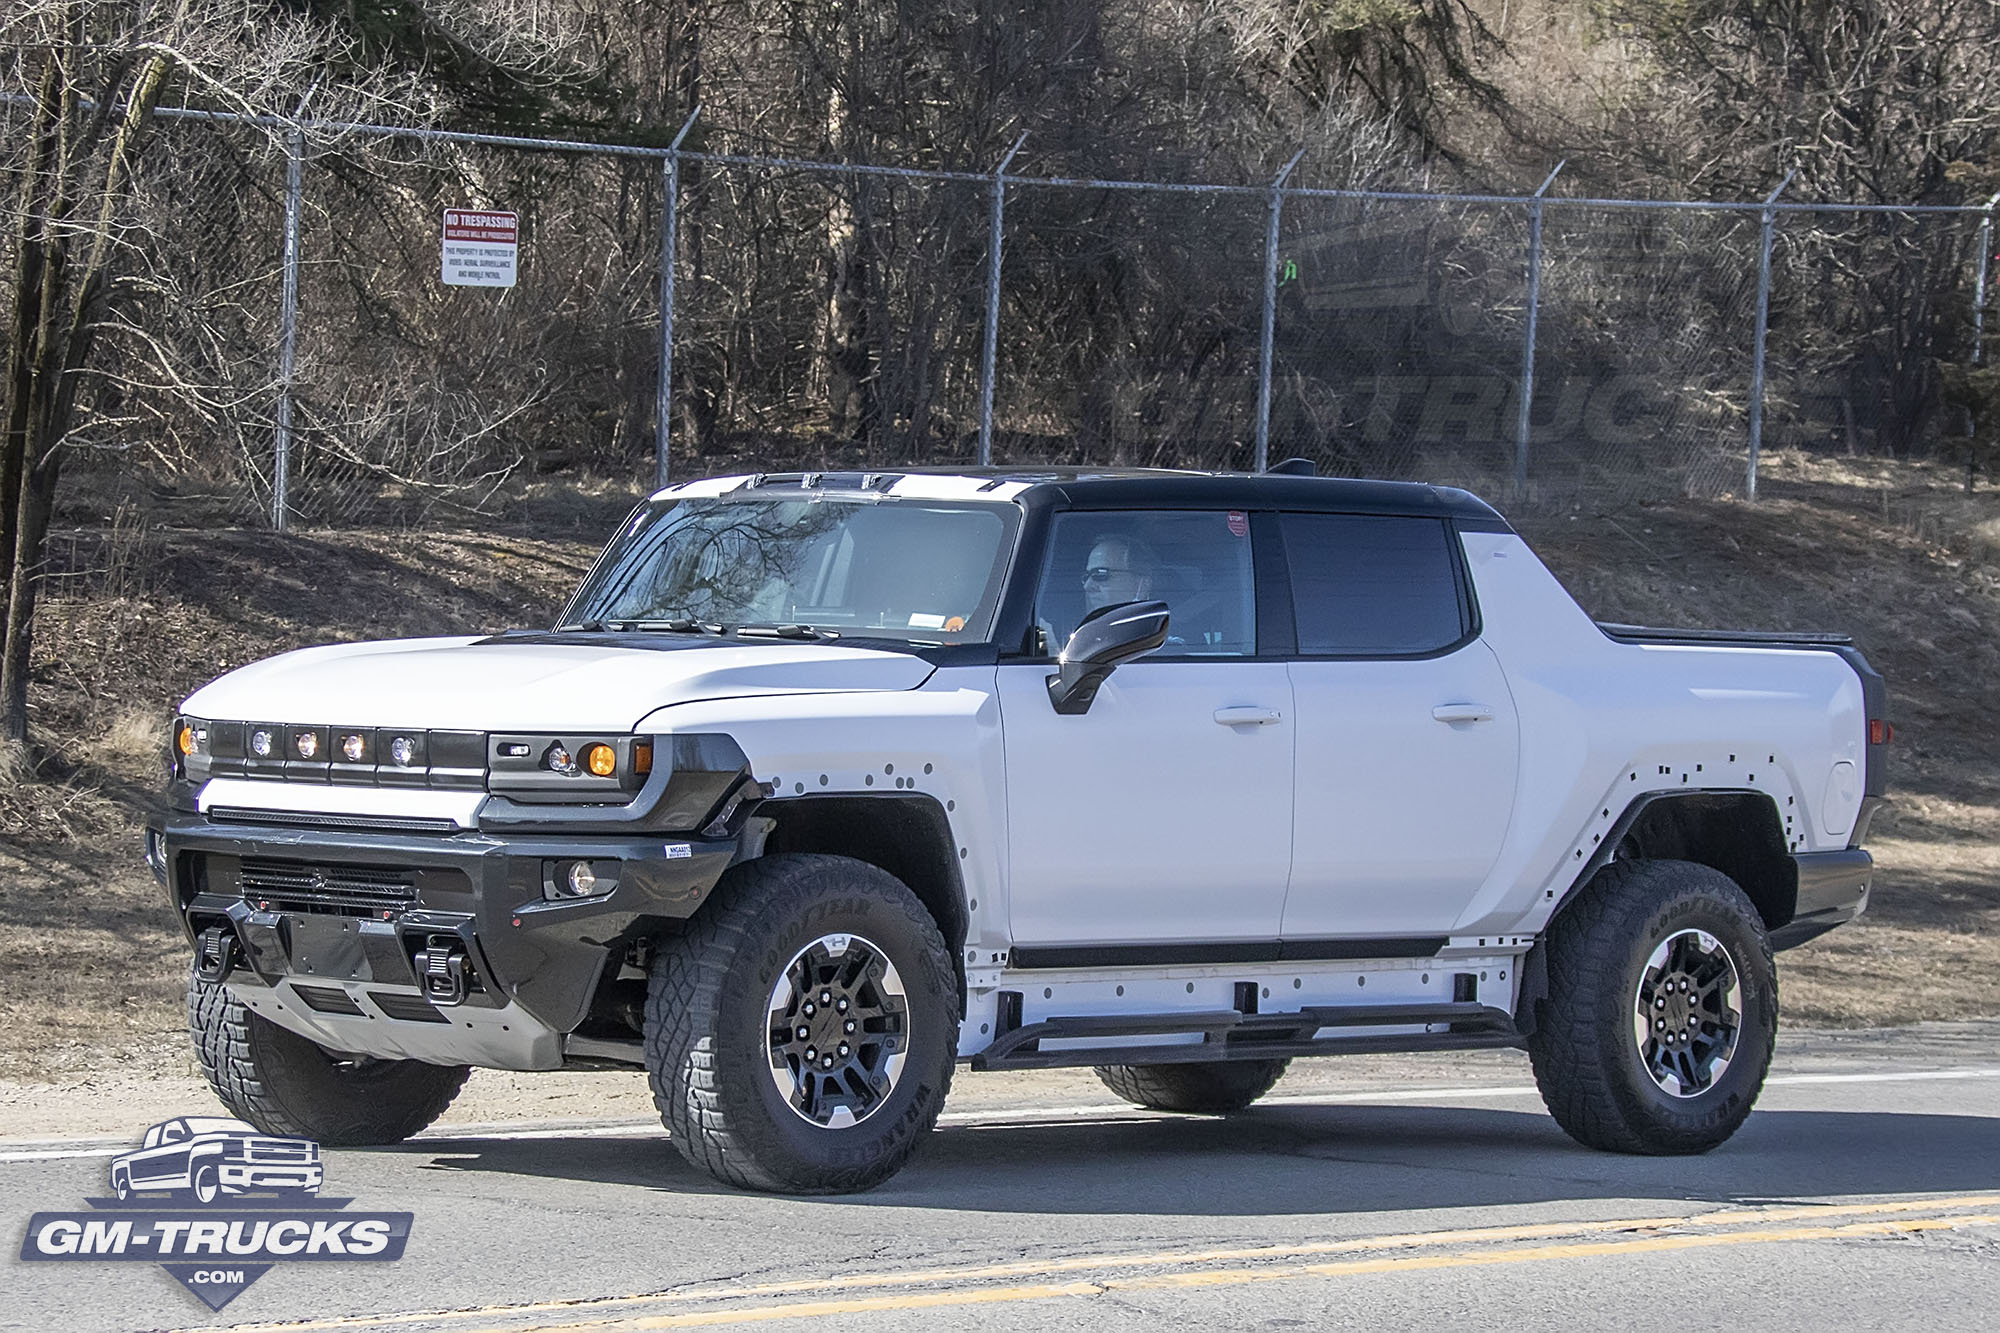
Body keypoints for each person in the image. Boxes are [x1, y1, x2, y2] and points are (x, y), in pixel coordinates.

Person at [1080, 533, 1160, 615]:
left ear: (1143, 585)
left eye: (1100, 574)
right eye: (1086, 577)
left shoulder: (1162, 626)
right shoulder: (1081, 627)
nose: (1087, 586)